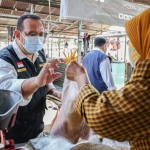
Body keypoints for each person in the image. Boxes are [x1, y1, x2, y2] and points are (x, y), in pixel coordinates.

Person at [65, 8, 150, 150]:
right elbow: (109, 82)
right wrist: (114, 93)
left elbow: (104, 117)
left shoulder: (87, 56)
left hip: (91, 98)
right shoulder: (104, 58)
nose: (133, 49)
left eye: (134, 42)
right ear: (104, 46)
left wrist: (81, 81)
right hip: (98, 98)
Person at [0, 14, 64, 143]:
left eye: (41, 34)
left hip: (37, 125)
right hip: (14, 134)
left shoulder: (39, 53)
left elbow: (45, 78)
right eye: (32, 34)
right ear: (18, 35)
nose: (38, 38)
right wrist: (36, 81)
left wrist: (52, 91)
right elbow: (8, 90)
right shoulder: (5, 58)